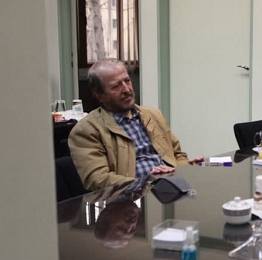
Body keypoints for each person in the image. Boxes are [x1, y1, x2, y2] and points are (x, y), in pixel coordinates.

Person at [69, 59, 203, 190]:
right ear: (99, 95)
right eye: (116, 86)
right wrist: (147, 181)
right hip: (129, 198)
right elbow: (97, 179)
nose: (126, 89)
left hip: (167, 189)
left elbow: (177, 155)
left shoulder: (154, 115)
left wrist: (185, 170)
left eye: (127, 81)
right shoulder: (86, 130)